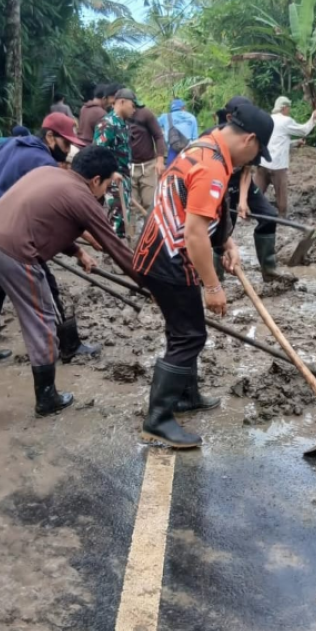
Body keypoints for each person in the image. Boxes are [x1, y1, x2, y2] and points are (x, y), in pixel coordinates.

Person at [0, 145, 136, 421]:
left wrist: (77, 251)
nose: (105, 191)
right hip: (12, 251)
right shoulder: (82, 195)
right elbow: (117, 249)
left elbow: (42, 222)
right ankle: (47, 398)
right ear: (96, 180)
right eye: (107, 185)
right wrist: (152, 285)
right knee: (41, 319)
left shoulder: (48, 173)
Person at [134, 97, 274, 449]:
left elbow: (200, 213)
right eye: (256, 157)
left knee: (182, 329)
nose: (252, 164)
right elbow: (194, 232)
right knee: (190, 336)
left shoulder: (204, 148)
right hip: (169, 261)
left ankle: (185, 395)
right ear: (249, 140)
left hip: (155, 253)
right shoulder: (213, 166)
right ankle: (159, 419)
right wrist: (212, 286)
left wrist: (225, 242)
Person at [0, 113, 100, 366]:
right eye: (65, 144)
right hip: (10, 232)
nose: (67, 150)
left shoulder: (13, 144)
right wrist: (79, 249)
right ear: (50, 136)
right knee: (45, 285)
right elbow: (49, 224)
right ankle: (69, 346)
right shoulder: (44, 165)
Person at [212, 100, 281, 280]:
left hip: (243, 182)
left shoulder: (248, 140)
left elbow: (246, 170)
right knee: (223, 227)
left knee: (269, 215)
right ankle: (214, 276)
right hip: (221, 184)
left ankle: (269, 270)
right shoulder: (212, 145)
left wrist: (242, 201)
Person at [255, 95, 316, 218]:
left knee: (255, 193)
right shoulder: (285, 121)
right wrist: (314, 118)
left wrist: (295, 143)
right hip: (277, 166)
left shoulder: (267, 119)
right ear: (284, 108)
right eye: (288, 108)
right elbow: (303, 131)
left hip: (262, 163)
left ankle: (247, 215)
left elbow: (275, 142)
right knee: (281, 195)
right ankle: (282, 218)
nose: (289, 110)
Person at [119, 89, 167, 229]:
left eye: (134, 105)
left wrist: (160, 160)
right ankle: (132, 242)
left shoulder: (145, 113)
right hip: (129, 167)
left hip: (148, 165)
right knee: (131, 206)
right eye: (131, 105)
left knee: (149, 203)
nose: (133, 108)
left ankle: (152, 236)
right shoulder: (117, 118)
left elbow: (158, 136)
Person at [94, 90, 134, 239]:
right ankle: (110, 254)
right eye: (132, 105)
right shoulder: (107, 123)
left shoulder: (123, 124)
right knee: (117, 217)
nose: (133, 109)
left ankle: (119, 253)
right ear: (121, 102)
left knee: (124, 217)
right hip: (112, 177)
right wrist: (111, 172)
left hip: (124, 177)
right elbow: (98, 152)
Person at [160, 97, 198, 164]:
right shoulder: (192, 117)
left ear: (172, 108)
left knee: (169, 172)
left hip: (173, 150)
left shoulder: (165, 117)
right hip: (189, 149)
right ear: (183, 107)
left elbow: (153, 125)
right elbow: (195, 138)